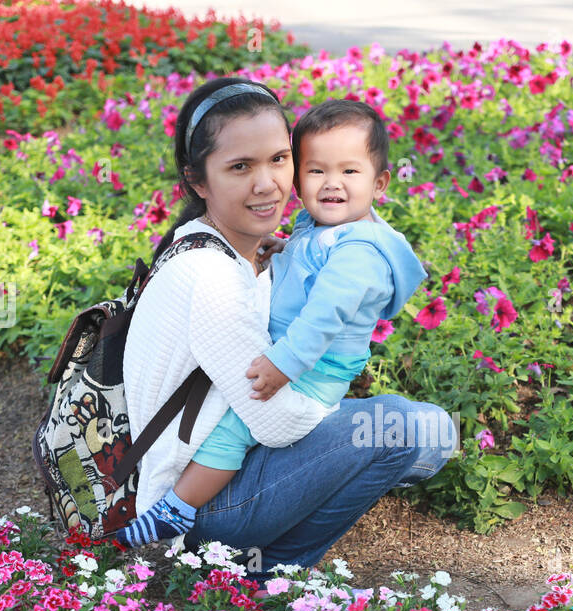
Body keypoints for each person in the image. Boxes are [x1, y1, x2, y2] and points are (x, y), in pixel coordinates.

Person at [120, 77, 455, 573]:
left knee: (418, 433)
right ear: (198, 181)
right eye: (240, 167)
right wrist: (333, 416)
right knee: (410, 429)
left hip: (219, 466)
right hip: (208, 506)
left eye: (278, 159)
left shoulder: (219, 243)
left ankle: (265, 565)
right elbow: (278, 424)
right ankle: (269, 570)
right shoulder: (210, 277)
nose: (267, 183)